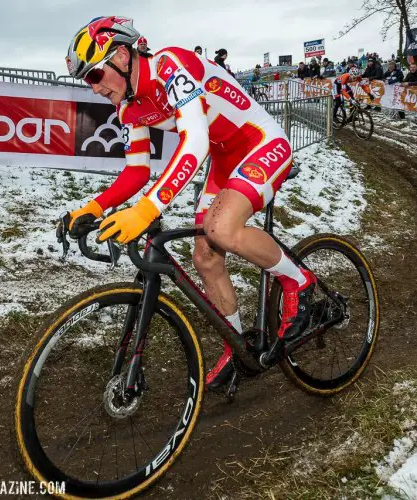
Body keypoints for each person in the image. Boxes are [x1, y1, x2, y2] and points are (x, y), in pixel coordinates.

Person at [65, 16, 317, 390]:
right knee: (205, 256)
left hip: (260, 142)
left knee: (221, 229)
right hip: (224, 158)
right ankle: (237, 346)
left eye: (94, 76)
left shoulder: (171, 66)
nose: (93, 87)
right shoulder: (129, 107)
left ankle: (300, 283)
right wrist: (94, 207)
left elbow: (195, 140)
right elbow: (136, 172)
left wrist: (149, 209)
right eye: (85, 81)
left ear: (120, 55)